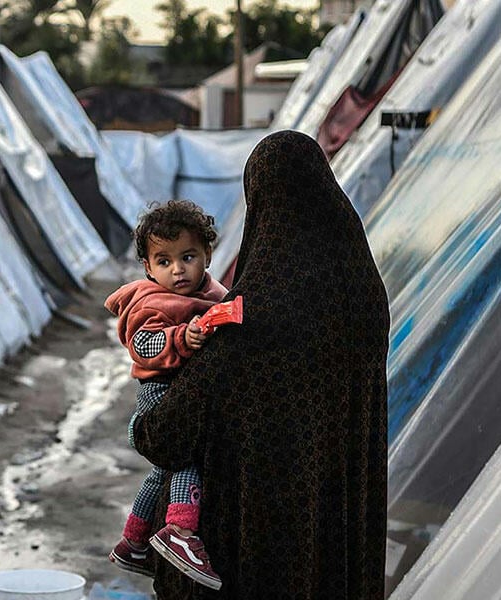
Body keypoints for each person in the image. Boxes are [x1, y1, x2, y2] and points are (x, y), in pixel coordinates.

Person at [131, 130, 390, 599]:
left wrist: (140, 424)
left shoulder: (256, 313)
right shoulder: (366, 297)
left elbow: (168, 434)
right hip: (339, 539)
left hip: (260, 547)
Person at [106, 200, 227, 590]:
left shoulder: (213, 292)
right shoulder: (148, 301)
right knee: (185, 451)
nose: (177, 270)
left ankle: (134, 542)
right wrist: (181, 336)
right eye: (164, 261)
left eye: (188, 257)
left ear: (207, 255)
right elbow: (143, 345)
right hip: (160, 391)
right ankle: (180, 529)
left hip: (185, 391)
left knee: (162, 471)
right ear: (147, 267)